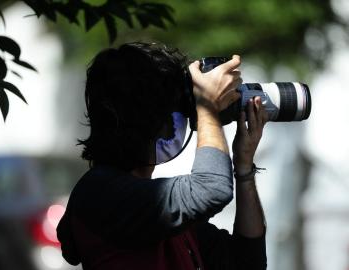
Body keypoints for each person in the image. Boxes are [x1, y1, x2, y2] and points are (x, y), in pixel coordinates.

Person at [57, 42, 268, 270]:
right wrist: (207, 106)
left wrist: (244, 168)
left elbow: (247, 262)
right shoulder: (100, 195)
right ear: (153, 118)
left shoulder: (158, 213)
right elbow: (212, 190)